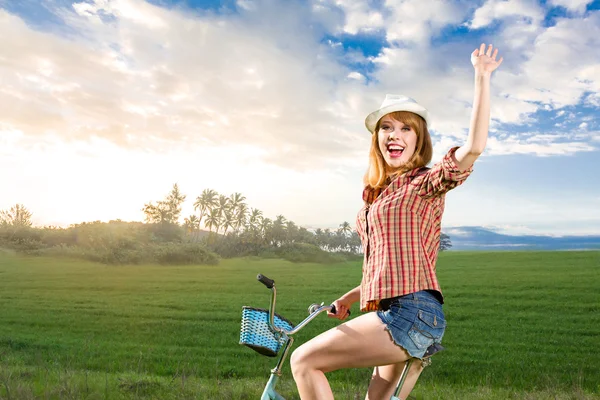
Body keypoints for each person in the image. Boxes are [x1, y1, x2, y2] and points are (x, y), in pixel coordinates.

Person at [290, 43, 504, 400]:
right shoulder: (376, 195)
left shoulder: (424, 184)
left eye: (406, 128)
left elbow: (474, 148)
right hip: (402, 311)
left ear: (418, 139)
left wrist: (482, 76)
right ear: (377, 139)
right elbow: (391, 264)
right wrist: (350, 296)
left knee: (303, 361)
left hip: (409, 314)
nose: (395, 134)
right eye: (387, 127)